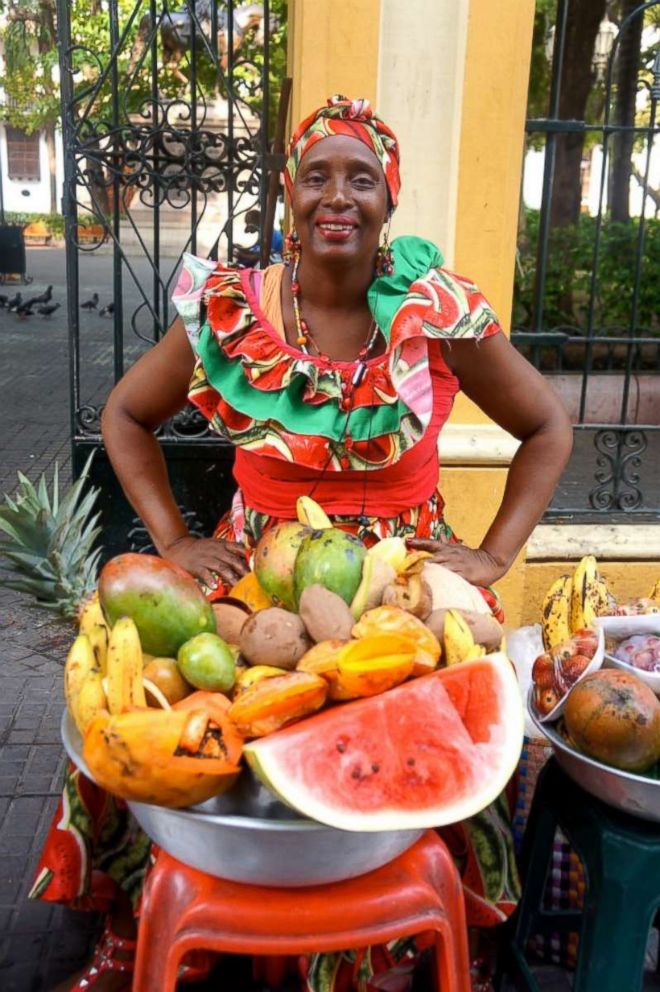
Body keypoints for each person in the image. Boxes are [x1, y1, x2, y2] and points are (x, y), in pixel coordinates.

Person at [34, 96, 573, 992]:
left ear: (388, 201)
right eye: (317, 174)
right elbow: (125, 415)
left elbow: (549, 426)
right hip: (252, 564)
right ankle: (136, 919)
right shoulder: (231, 310)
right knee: (131, 689)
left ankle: (432, 936)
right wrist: (173, 538)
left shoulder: (434, 311)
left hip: (402, 574)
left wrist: (490, 558)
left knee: (458, 704)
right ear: (288, 194)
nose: (338, 195)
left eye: (361, 178)